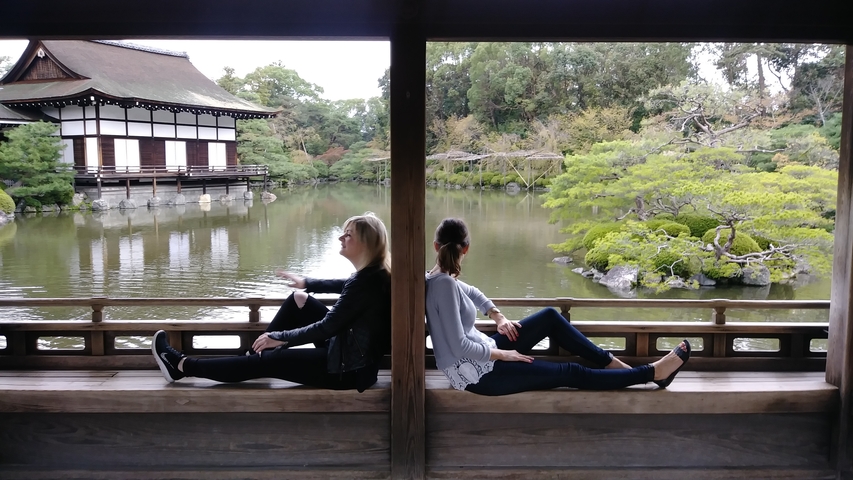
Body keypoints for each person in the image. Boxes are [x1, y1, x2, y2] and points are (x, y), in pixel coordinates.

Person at [425, 217, 690, 396]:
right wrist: (507, 355)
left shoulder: (440, 279)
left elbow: (472, 292)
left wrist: (498, 316)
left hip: (484, 354)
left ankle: (616, 366)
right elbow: (459, 346)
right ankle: (651, 373)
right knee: (570, 372)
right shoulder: (444, 285)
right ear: (467, 249)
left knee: (550, 317)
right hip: (474, 375)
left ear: (436, 246)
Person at [152, 212, 392, 392]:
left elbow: (326, 327)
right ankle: (251, 359)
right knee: (299, 299)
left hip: (347, 370)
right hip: (351, 354)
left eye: (348, 234)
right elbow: (345, 287)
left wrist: (280, 337)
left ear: (366, 243)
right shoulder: (374, 274)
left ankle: (182, 366)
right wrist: (307, 283)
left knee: (271, 359)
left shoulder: (365, 281)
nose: (341, 237)